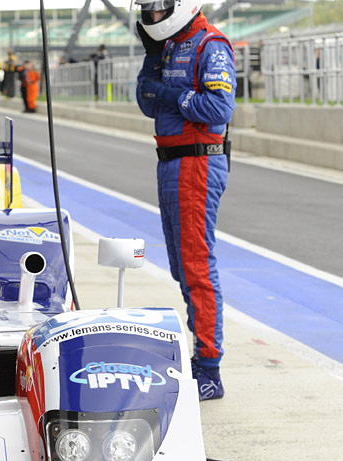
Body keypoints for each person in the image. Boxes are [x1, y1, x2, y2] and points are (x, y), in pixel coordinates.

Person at [135, 0, 235, 400]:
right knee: (181, 267)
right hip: (171, 162)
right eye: (146, 8)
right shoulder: (170, 46)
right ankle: (201, 358)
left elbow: (218, 107)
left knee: (196, 268)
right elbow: (145, 100)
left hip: (197, 162)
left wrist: (171, 94)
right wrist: (152, 63)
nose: (152, 16)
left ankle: (209, 368)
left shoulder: (210, 45)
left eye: (158, 7)